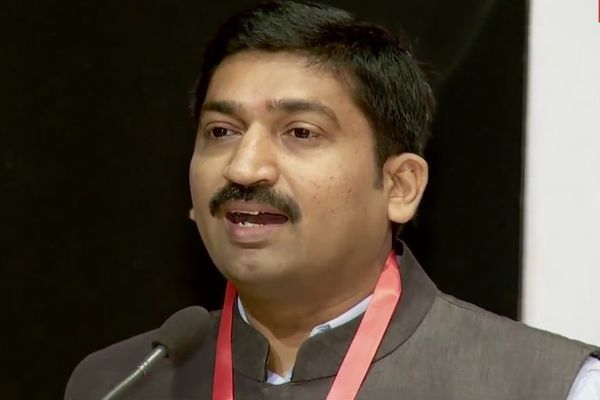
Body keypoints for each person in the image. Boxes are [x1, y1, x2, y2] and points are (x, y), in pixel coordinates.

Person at [65, 1, 599, 399]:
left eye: (300, 132)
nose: (243, 167)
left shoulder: (547, 385)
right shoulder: (120, 383)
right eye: (222, 132)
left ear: (400, 187)